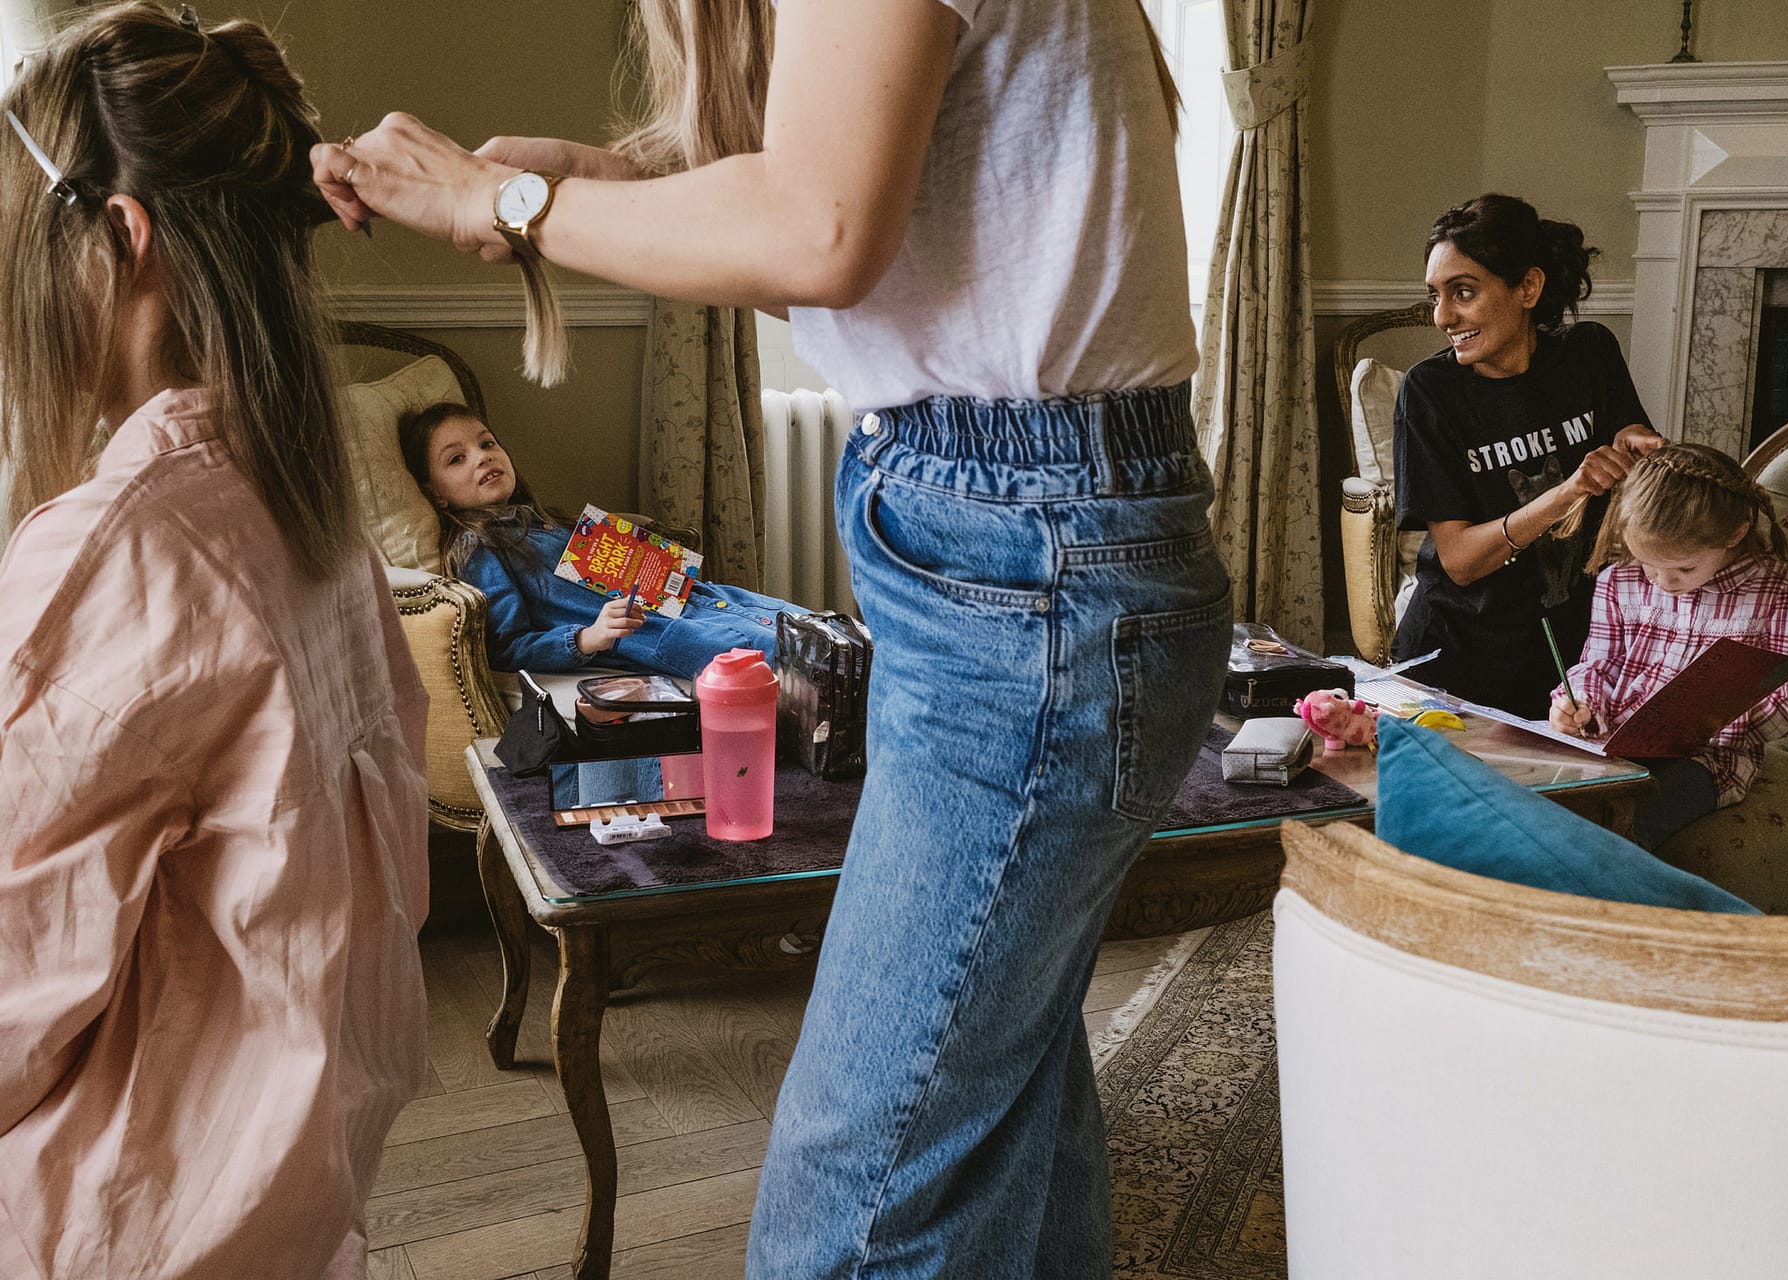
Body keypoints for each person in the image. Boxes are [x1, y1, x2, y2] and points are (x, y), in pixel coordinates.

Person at [312, 1, 1231, 1273]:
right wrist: (587, 180)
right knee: (1007, 1099)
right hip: (1027, 541)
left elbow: (819, 227)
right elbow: (875, 195)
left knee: (860, 1187)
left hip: (1028, 559)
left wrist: (511, 203)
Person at [0, 6, 430, 1277]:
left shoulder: (119, 551)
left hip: (114, 1225)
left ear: (121, 239)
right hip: (288, 1207)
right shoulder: (316, 521)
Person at [1394, 193, 1667, 717]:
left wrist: (1636, 441)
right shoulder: (1429, 392)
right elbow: (1460, 562)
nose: (1443, 317)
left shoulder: (1590, 352)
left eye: (1463, 292)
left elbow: (1626, 432)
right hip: (1455, 661)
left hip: (1574, 658)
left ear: (1528, 287)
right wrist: (1568, 492)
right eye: (1435, 296)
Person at [1547, 443, 1788, 852]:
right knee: (1538, 809)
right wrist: (1580, 704)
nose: (1664, 582)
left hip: (1707, 762)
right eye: (1648, 565)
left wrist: (1713, 722)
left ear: (1735, 533)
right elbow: (1600, 664)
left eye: (1684, 567)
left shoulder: (1782, 591)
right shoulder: (1618, 579)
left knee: (1620, 829)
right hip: (1612, 748)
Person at [400, 401, 800, 679]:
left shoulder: (545, 522)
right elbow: (507, 647)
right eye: (456, 458)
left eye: (487, 443)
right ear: (435, 494)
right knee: (798, 663)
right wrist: (587, 637)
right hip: (675, 636)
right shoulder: (480, 548)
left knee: (812, 630)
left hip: (708, 600)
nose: (482, 457)